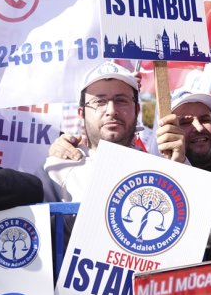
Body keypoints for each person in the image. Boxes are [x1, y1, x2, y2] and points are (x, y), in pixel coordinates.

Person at [37, 61, 186, 202]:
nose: (111, 111)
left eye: (121, 100)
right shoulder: (55, 171)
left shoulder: (162, 169)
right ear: (81, 113)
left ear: (137, 110)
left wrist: (181, 170)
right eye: (99, 102)